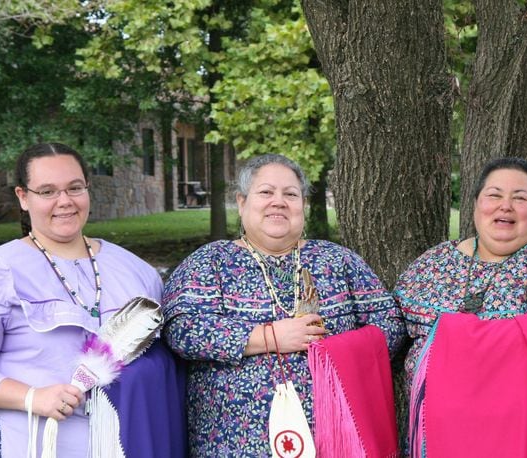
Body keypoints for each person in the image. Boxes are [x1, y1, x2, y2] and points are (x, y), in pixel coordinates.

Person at [0, 143, 186, 458]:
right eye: (47, 191)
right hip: (29, 442)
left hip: (124, 444)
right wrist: (32, 397)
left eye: (75, 188)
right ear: (23, 196)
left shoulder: (136, 271)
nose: (65, 201)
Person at [162, 153, 406, 456]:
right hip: (233, 441)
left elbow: (390, 326)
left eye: (290, 194)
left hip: (334, 436)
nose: (278, 202)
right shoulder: (210, 261)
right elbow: (182, 331)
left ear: (302, 205)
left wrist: (336, 350)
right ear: (241, 202)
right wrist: (270, 337)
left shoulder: (338, 260)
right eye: (266, 192)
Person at [396, 157, 527, 456]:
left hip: (520, 442)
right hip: (438, 442)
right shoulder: (434, 262)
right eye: (494, 195)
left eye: (521, 198)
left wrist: (454, 334)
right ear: (475, 204)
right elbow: (393, 328)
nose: (506, 206)